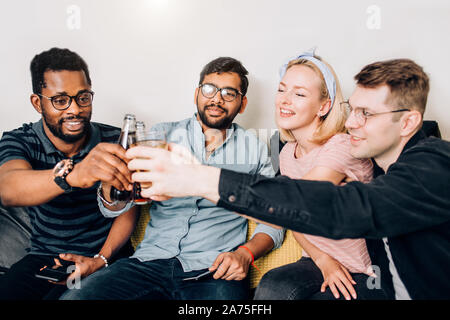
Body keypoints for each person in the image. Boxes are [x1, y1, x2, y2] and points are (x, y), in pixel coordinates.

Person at [126, 58, 450, 299]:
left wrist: (198, 180)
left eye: (366, 114)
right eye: (353, 109)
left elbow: (318, 202)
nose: (350, 122)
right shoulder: (293, 153)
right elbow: (297, 211)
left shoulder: (432, 165)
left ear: (408, 122)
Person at [60, 57, 284, 300]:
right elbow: (119, 205)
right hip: (146, 264)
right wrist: (111, 187)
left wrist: (245, 254)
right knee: (74, 299)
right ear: (197, 93)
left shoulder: (257, 151)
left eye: (229, 93)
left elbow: (272, 219)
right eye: (209, 89)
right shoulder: (159, 136)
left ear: (242, 104)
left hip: (212, 271)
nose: (217, 98)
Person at [249, 51, 388, 300]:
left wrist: (210, 187)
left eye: (299, 94)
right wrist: (324, 261)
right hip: (319, 261)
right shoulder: (286, 153)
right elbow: (294, 220)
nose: (285, 100)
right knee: (271, 287)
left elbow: (298, 200)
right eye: (282, 90)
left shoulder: (343, 145)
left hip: (368, 271)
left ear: (323, 106)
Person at [0, 48, 137, 300]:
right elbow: (8, 188)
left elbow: (127, 209)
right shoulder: (20, 140)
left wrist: (101, 259)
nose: (74, 109)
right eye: (60, 100)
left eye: (83, 97)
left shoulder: (115, 139)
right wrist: (71, 176)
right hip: (44, 258)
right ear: (37, 102)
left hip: (105, 259)